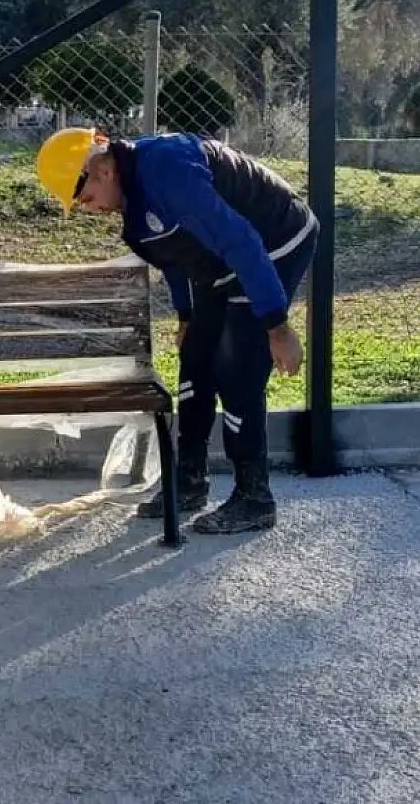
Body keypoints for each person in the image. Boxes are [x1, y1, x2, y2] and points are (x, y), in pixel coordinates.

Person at [35, 128, 318, 534]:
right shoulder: (133, 201)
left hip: (274, 242)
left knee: (237, 368)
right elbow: (174, 256)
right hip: (221, 261)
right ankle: (188, 480)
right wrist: (187, 316)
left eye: (81, 195)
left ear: (102, 170)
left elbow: (241, 241)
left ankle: (254, 498)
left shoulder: (169, 172)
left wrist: (276, 325)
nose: (84, 206)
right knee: (197, 360)